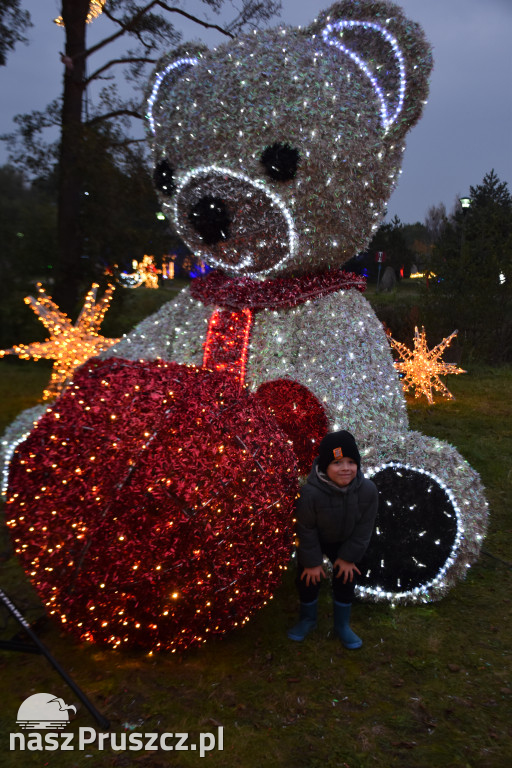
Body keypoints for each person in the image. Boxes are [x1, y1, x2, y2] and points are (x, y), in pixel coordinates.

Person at [288, 430, 378, 649]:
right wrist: (312, 562)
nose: (345, 468)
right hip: (317, 539)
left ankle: (342, 624)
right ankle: (307, 618)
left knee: (346, 577)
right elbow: (305, 528)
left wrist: (348, 558)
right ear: (325, 467)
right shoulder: (310, 494)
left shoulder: (367, 491)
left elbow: (364, 528)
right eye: (337, 463)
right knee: (308, 579)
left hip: (346, 541)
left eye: (350, 462)